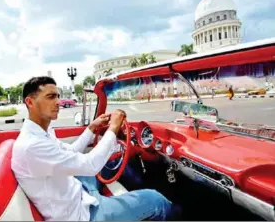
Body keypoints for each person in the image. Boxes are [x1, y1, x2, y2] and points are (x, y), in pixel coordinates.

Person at [11, 76, 180, 221]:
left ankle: (136, 195)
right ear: (30, 102)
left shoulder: (42, 133)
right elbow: (91, 166)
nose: (58, 102)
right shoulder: (33, 145)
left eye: (58, 96)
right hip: (82, 214)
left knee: (112, 161)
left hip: (77, 190)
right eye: (50, 97)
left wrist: (91, 128)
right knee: (155, 200)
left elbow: (70, 152)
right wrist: (113, 128)